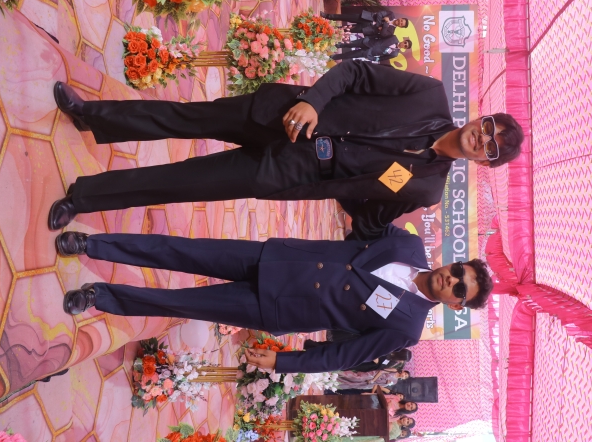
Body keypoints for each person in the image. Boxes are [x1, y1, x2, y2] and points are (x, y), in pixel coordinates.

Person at [49, 61, 524, 240]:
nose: (482, 139)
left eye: (491, 149)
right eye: (488, 129)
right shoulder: (429, 95)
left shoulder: (426, 186)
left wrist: (374, 227)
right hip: (287, 116)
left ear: (486, 163)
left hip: (289, 171)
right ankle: (91, 116)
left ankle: (82, 198)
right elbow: (355, 73)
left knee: (182, 183)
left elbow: (368, 214)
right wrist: (314, 102)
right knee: (183, 117)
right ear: (479, 118)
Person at [55, 223, 494, 373]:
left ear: (456, 305)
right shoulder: (409, 245)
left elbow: (341, 357)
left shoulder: (407, 327)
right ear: (455, 262)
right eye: (459, 271)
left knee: (182, 303)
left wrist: (283, 362)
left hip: (276, 306)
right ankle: (94, 245)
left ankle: (99, 296)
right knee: (182, 249)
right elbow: (366, 220)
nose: (452, 279)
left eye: (461, 288)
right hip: (279, 257)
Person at [321, 10, 409, 38]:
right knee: (345, 16)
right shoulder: (391, 14)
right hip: (366, 17)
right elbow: (379, 14)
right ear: (400, 18)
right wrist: (380, 26)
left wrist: (385, 23)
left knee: (345, 29)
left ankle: (325, 30)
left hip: (368, 29)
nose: (400, 22)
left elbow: (382, 34)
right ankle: (327, 16)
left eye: (402, 24)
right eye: (401, 20)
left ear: (401, 27)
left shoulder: (391, 31)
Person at [331, 36, 412, 62]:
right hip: (367, 42)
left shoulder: (395, 54)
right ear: (404, 41)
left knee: (349, 55)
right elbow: (380, 35)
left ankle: (332, 57)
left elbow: (381, 58)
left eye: (405, 46)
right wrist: (368, 37)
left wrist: (371, 58)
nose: (404, 44)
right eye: (405, 43)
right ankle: (332, 45)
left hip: (368, 52)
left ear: (404, 48)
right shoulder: (394, 37)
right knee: (348, 44)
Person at [334, 369, 410, 390]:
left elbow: (382, 386)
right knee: (356, 378)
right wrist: (373, 380)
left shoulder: (395, 382)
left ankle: (334, 382)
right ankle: (335, 372)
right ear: (403, 371)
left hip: (375, 383)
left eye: (405, 377)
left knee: (355, 385)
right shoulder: (395, 370)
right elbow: (381, 371)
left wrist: (387, 383)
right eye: (405, 374)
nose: (404, 376)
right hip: (374, 375)